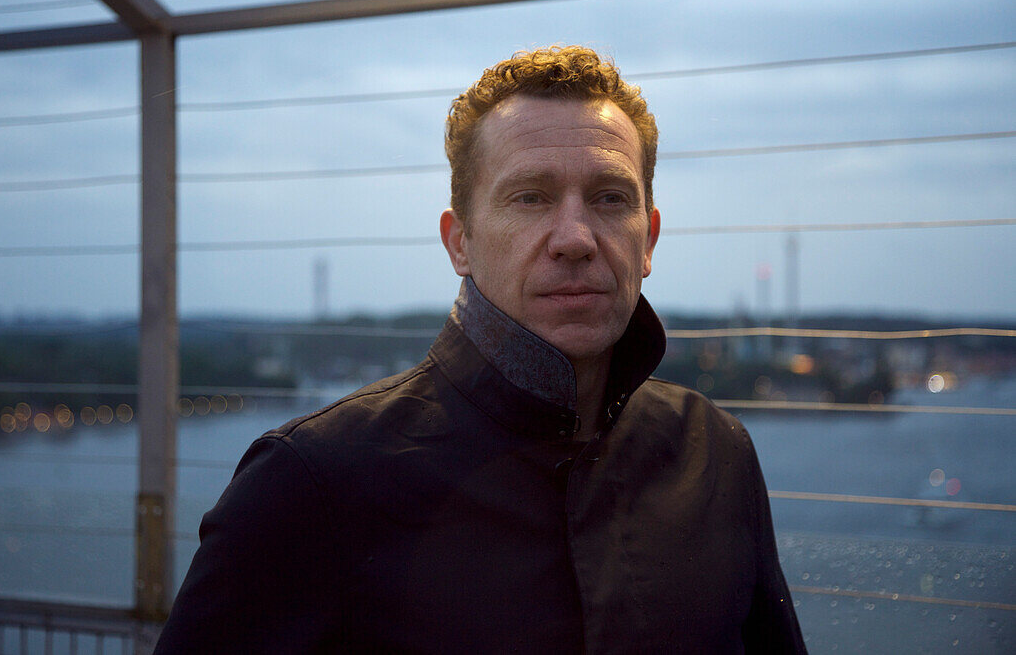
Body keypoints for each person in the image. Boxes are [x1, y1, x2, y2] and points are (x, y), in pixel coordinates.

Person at [155, 45, 806, 653]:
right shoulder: (311, 482)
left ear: (649, 239)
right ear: (459, 241)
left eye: (611, 198)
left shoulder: (714, 455)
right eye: (531, 197)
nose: (575, 236)